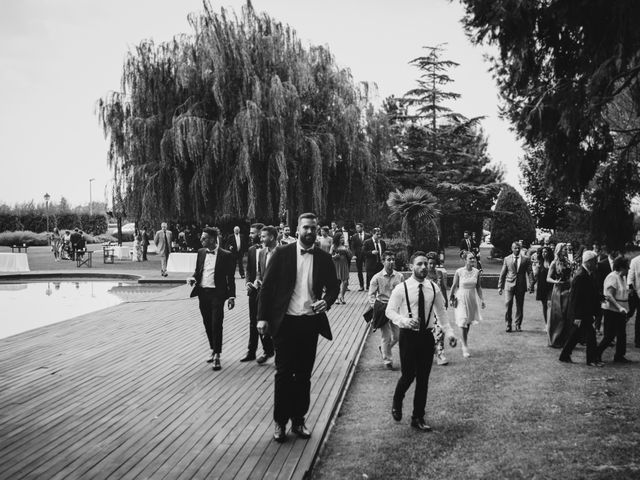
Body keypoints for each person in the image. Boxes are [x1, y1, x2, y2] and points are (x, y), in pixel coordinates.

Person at [257, 213, 339, 443]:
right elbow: (267, 288)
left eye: (313, 228)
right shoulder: (282, 254)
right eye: (306, 228)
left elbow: (334, 286)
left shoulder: (323, 258)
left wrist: (328, 301)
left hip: (309, 323)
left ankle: (299, 420)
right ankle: (280, 422)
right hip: (285, 323)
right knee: (283, 374)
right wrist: (262, 318)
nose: (310, 232)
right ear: (297, 229)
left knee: (303, 375)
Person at [386, 251, 458, 432]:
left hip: (426, 336)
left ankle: (418, 417)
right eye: (419, 264)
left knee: (423, 379)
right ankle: (397, 399)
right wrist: (404, 321)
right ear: (411, 267)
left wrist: (449, 333)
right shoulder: (401, 288)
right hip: (408, 336)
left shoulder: (433, 288)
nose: (424, 267)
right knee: (408, 375)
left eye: (426, 264)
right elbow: (390, 311)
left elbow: (441, 313)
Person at [187, 227, 236, 371]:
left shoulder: (226, 255)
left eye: (204, 238)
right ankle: (212, 348)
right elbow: (198, 271)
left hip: (218, 294)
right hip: (203, 293)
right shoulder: (201, 252)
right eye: (202, 238)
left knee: (216, 323)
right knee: (207, 323)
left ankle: (217, 356)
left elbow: (231, 278)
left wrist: (232, 296)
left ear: (213, 239)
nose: (201, 240)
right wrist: (192, 278)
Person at [559, 251, 602, 366]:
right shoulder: (581, 275)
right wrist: (577, 316)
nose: (596, 264)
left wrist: (600, 297)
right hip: (580, 313)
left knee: (576, 335)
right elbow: (575, 298)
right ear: (588, 262)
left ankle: (564, 355)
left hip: (584, 311)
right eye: (594, 262)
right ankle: (591, 360)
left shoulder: (586, 274)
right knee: (590, 335)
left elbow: (589, 292)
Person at [242, 223, 274, 363]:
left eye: (253, 233)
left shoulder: (274, 251)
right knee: (253, 321)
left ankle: (269, 351)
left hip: (269, 291)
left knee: (267, 320)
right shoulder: (251, 250)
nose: (251, 235)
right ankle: (251, 351)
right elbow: (249, 269)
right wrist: (248, 282)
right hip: (254, 290)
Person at [368, 251, 404, 369]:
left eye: (393, 259)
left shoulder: (399, 276)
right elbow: (371, 295)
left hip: (395, 309)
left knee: (398, 336)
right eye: (388, 259)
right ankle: (387, 360)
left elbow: (404, 293)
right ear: (383, 261)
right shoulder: (377, 277)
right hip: (382, 308)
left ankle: (383, 348)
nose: (391, 262)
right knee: (386, 336)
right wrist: (375, 306)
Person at [596, 256, 632, 363]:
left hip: (621, 311)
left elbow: (622, 292)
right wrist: (619, 307)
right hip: (611, 310)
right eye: (627, 267)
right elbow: (609, 296)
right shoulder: (612, 277)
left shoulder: (623, 277)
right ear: (621, 267)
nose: (628, 269)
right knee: (609, 336)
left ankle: (619, 356)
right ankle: (597, 353)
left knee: (622, 334)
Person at [449, 252, 485, 358]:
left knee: (468, 322)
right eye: (470, 258)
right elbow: (454, 285)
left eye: (474, 258)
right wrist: (450, 297)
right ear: (465, 260)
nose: (473, 260)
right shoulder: (459, 272)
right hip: (461, 299)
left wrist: (482, 299)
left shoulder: (477, 272)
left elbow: (478, 287)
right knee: (463, 320)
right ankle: (465, 346)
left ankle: (463, 339)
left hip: (472, 299)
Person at [498, 241, 534, 332]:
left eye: (518, 248)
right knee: (508, 304)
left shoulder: (526, 259)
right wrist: (500, 286)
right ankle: (508, 324)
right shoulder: (507, 259)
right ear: (512, 248)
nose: (517, 250)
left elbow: (530, 272)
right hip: (509, 285)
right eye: (515, 248)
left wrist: (531, 284)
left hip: (521, 285)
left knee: (520, 306)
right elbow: (503, 273)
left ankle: (518, 325)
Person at [425, 251, 449, 366]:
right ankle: (427, 352)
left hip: (438, 306)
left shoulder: (439, 273)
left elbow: (443, 288)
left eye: (433, 263)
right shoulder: (423, 275)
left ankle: (440, 353)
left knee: (440, 329)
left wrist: (446, 300)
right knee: (427, 331)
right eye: (429, 263)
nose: (431, 266)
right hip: (426, 308)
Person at [547, 243, 572, 347]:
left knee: (567, 315)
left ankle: (564, 339)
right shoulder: (554, 263)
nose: (566, 250)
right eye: (564, 249)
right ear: (559, 250)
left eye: (566, 249)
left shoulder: (567, 261)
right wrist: (555, 282)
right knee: (558, 315)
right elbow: (548, 278)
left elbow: (570, 275)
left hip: (568, 289)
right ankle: (555, 339)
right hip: (558, 290)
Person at [595, 248, 615, 334]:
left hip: (613, 291)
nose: (616, 252)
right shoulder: (602, 263)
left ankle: (609, 332)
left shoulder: (617, 263)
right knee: (600, 312)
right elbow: (599, 279)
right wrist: (600, 292)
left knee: (609, 313)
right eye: (614, 250)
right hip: (603, 290)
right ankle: (597, 328)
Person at [331, 233, 351, 304]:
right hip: (336, 264)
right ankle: (336, 297)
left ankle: (342, 296)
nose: (342, 239)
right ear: (337, 238)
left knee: (345, 282)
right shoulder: (334, 246)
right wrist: (334, 256)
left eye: (343, 238)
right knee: (336, 282)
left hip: (344, 264)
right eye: (341, 238)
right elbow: (330, 256)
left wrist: (348, 250)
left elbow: (349, 255)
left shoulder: (345, 246)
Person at [536, 246, 554, 326]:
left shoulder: (552, 262)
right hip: (542, 286)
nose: (544, 253)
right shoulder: (539, 262)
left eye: (545, 252)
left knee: (550, 304)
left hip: (550, 286)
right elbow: (536, 275)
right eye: (543, 252)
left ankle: (551, 323)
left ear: (549, 253)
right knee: (544, 305)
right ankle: (546, 324)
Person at [350, 223, 370, 291]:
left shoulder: (368, 235)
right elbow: (352, 247)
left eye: (358, 227)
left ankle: (368, 286)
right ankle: (361, 286)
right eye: (356, 228)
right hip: (358, 255)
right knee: (359, 271)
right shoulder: (354, 236)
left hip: (366, 255)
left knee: (368, 270)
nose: (357, 229)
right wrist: (353, 255)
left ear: (362, 227)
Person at [628, 250, 640, 348]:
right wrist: (631, 289)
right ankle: (638, 340)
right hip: (638, 293)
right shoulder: (635, 261)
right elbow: (630, 277)